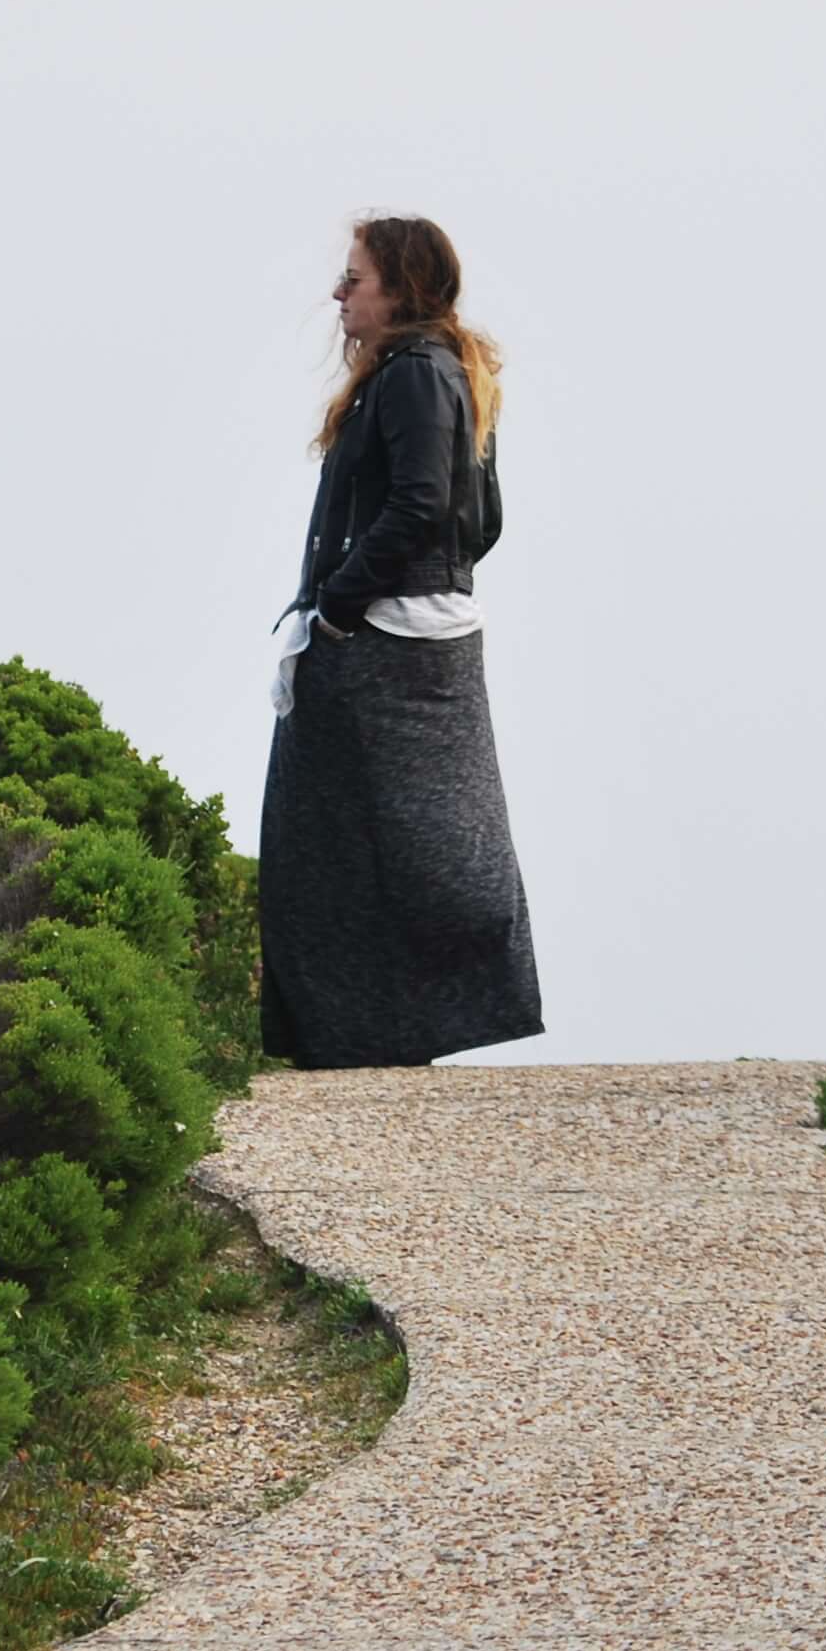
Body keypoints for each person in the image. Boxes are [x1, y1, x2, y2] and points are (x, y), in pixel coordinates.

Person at [260, 210, 546, 1069]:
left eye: (356, 278)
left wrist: (340, 609)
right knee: (357, 849)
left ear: (401, 291)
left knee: (353, 853)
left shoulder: (419, 375)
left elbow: (428, 508)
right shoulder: (436, 370)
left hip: (383, 652)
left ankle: (364, 1042)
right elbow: (480, 521)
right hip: (405, 643)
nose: (339, 292)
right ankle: (372, 1040)